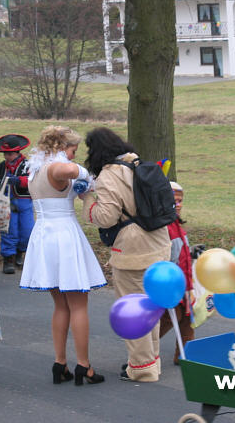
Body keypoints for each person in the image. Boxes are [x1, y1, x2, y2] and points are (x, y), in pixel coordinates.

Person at [81, 127, 171, 382]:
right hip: (159, 242)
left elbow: (106, 217)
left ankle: (142, 368)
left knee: (134, 309)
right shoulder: (137, 163)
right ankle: (151, 361)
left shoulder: (109, 175)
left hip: (133, 250)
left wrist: (87, 199)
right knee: (152, 306)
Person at [20, 126, 106, 386]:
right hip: (63, 235)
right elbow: (66, 170)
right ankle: (83, 364)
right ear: (60, 148)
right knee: (78, 304)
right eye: (72, 150)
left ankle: (60, 363)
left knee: (60, 305)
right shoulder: (55, 167)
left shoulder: (35, 170)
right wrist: (86, 174)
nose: (73, 156)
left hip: (44, 234)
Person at [159, 181, 195, 365]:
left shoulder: (178, 225)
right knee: (170, 317)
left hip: (185, 281)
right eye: (174, 201)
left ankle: (184, 356)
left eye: (180, 201)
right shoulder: (163, 226)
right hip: (171, 283)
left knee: (188, 318)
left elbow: (183, 254)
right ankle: (143, 347)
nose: (178, 205)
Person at [0, 135, 34, 275]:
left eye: (10, 154)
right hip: (6, 202)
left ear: (17, 152)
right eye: (5, 154)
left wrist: (19, 181)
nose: (6, 157)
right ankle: (8, 259)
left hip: (25, 202)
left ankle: (20, 252)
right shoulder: (1, 167)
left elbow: (33, 181)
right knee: (9, 231)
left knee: (27, 231)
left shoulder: (29, 165)